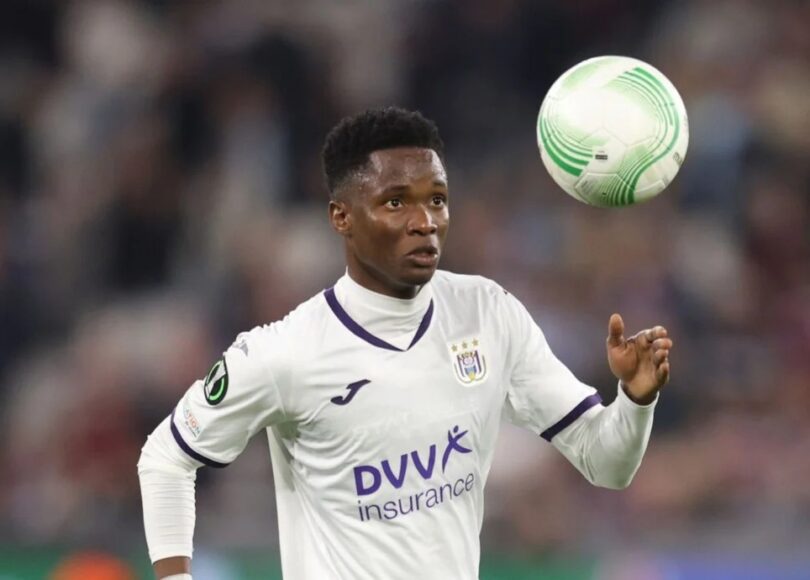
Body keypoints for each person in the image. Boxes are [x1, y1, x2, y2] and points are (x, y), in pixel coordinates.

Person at [138, 107, 673, 580]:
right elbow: (166, 458)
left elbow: (607, 464)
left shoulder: (488, 314)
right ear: (341, 217)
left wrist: (635, 399)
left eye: (436, 200)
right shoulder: (286, 353)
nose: (425, 222)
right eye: (396, 202)